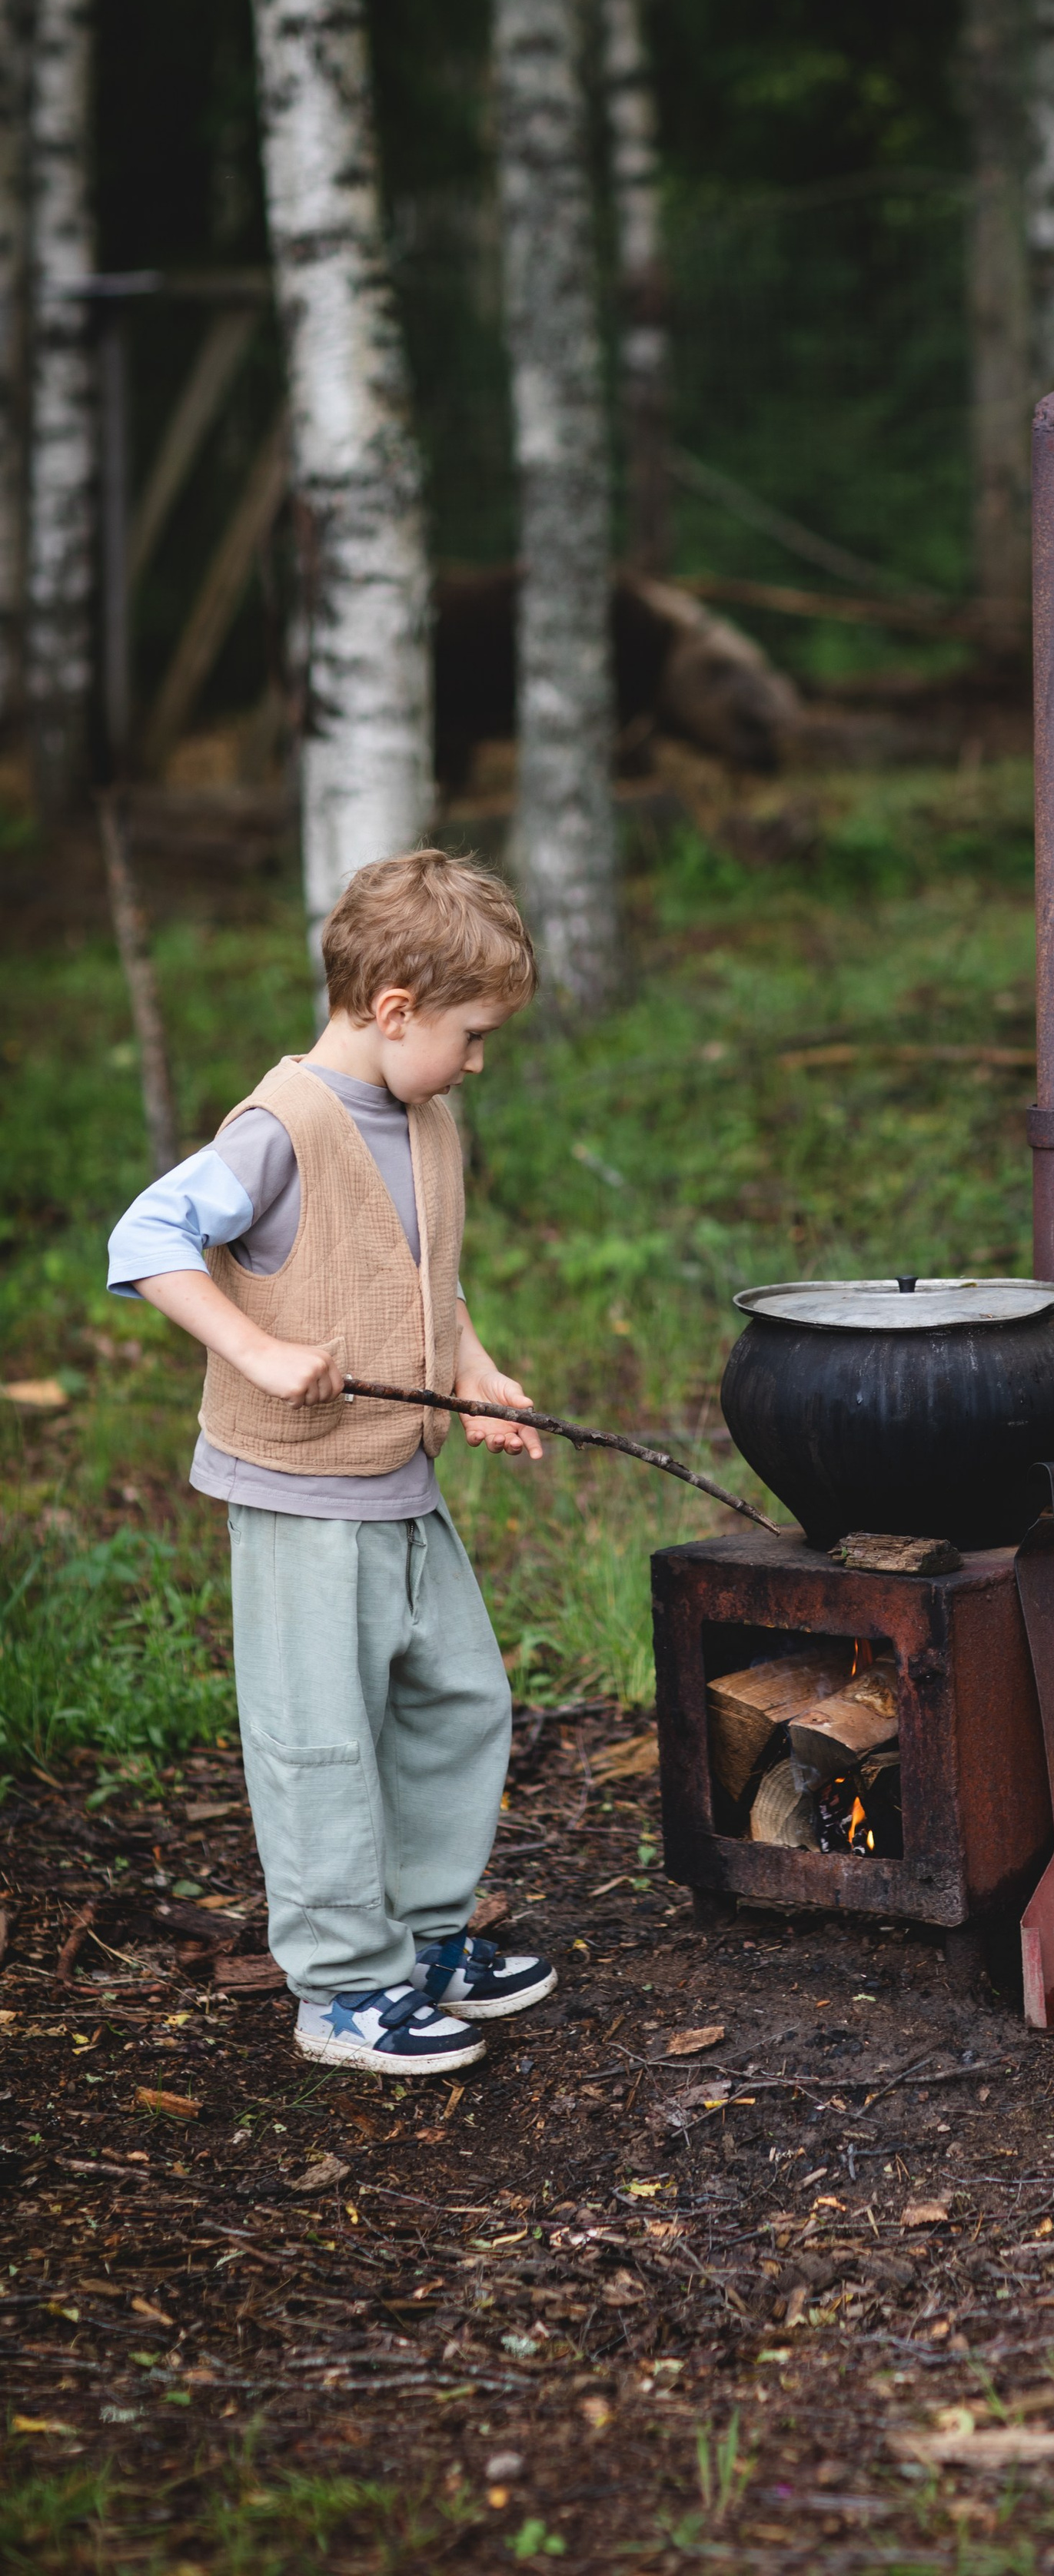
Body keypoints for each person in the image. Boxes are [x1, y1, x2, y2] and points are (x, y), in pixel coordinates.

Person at [107, 848, 558, 2080]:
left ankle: (423, 1936)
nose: (477, 1062)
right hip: (302, 1499)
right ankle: (346, 1988)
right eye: (471, 1037)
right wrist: (255, 1349)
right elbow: (146, 1237)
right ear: (395, 1009)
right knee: (322, 1742)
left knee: (457, 1701)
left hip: (401, 1486)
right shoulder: (283, 1127)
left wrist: (475, 1374)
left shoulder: (426, 1118)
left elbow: (424, 1276)